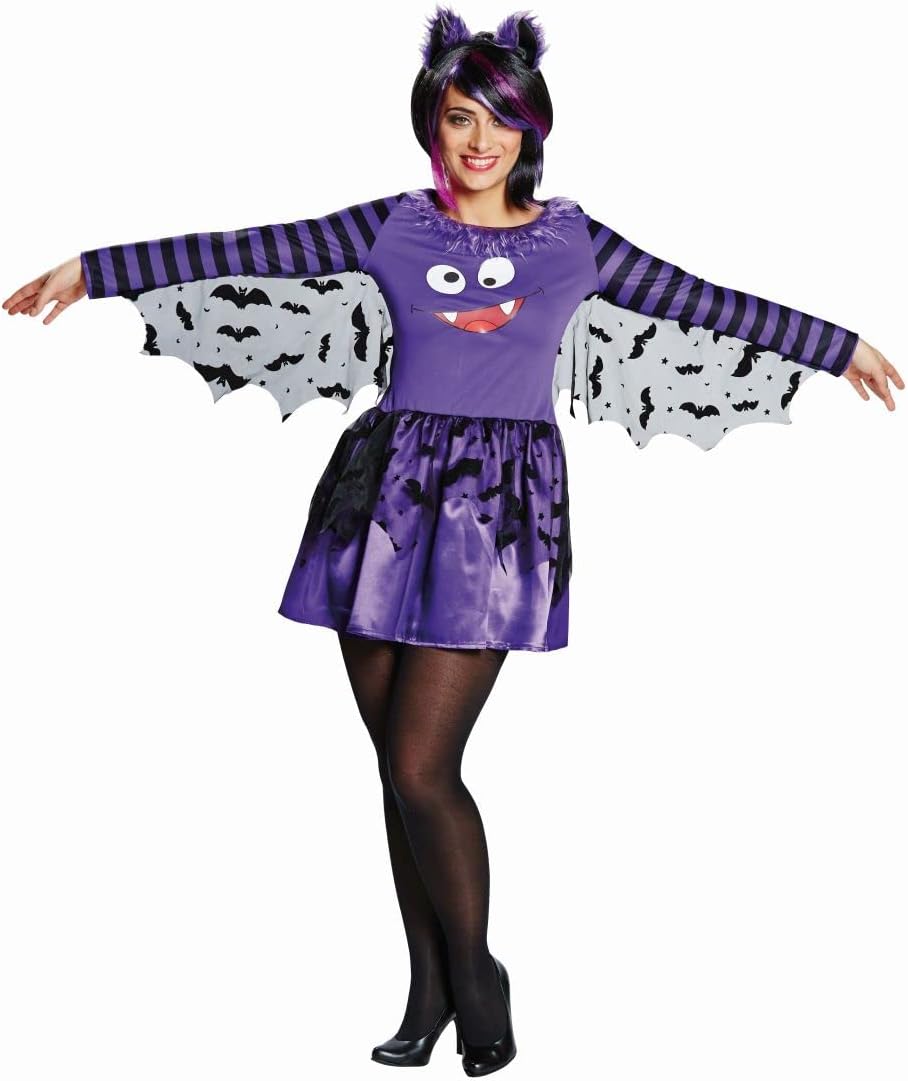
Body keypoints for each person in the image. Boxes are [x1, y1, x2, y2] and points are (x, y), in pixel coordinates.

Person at [3, 5, 902, 1076]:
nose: (481, 141)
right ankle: (425, 985)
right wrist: (95, 268)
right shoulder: (393, 225)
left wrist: (835, 343)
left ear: (533, 129)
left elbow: (699, 301)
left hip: (496, 514)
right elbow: (250, 250)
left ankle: (476, 974)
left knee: (422, 764)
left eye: (501, 119)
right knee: (396, 768)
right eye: (460, 117)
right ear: (431, 122)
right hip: (380, 501)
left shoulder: (573, 241)